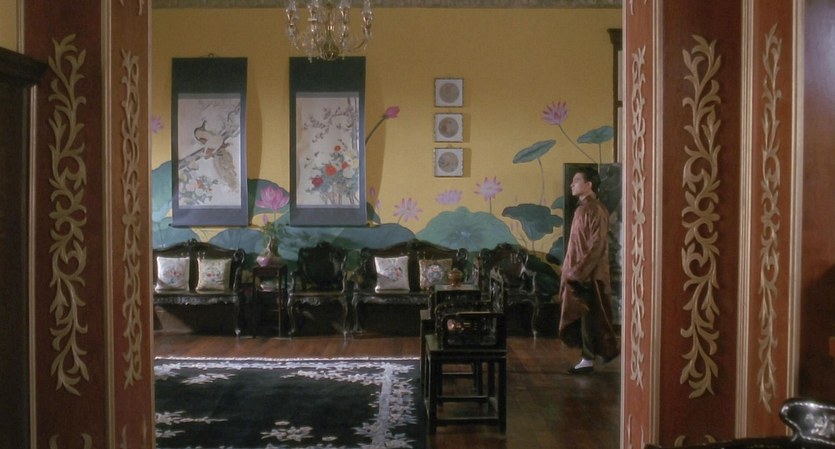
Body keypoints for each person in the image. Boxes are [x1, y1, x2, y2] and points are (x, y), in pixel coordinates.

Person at [558, 166, 620, 374]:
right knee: (584, 314)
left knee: (590, 315)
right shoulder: (583, 209)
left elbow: (597, 245)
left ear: (589, 184)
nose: (572, 184)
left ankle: (589, 358)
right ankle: (587, 357)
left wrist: (579, 271)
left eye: (576, 180)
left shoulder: (595, 209)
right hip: (579, 272)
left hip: (589, 274)